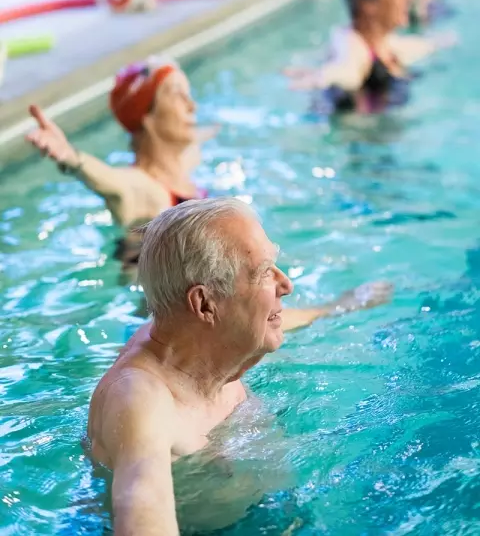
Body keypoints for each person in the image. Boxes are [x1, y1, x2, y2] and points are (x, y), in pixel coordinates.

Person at [87, 197, 392, 535]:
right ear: (204, 303)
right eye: (264, 273)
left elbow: (258, 317)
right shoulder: (140, 400)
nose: (286, 285)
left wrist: (335, 308)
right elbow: (140, 507)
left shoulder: (191, 336)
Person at [25, 59, 213, 230]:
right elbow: (114, 183)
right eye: (176, 95)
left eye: (188, 94)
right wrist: (71, 157)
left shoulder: (186, 168)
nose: (192, 106)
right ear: (147, 116)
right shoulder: (146, 190)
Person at [286, 0, 453, 115]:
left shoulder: (386, 43)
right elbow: (346, 69)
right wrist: (322, 78)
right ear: (368, 4)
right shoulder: (351, 45)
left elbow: (422, 46)